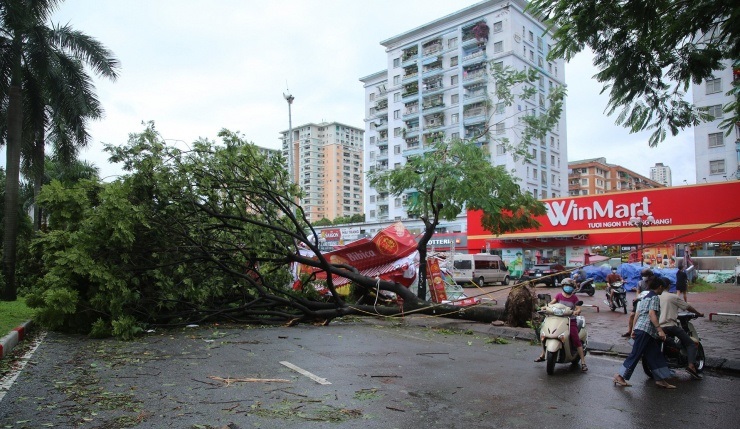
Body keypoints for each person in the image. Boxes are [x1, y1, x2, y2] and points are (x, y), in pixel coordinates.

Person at [613, 276, 675, 388]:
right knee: (635, 354)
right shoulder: (655, 298)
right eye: (663, 288)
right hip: (646, 331)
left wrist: (633, 329)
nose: (663, 290)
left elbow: (637, 314)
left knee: (654, 354)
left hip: (643, 330)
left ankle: (660, 379)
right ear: (660, 287)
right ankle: (620, 376)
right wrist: (660, 330)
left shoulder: (645, 297)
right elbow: (652, 314)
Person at [534, 278, 588, 371]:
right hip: (557, 319)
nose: (568, 288)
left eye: (570, 287)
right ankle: (543, 354)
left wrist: (576, 311)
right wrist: (544, 307)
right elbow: (550, 304)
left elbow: (578, 308)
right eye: (566, 286)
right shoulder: (559, 296)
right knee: (543, 332)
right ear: (563, 287)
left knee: (575, 338)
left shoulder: (574, 298)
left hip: (570, 320)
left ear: (573, 288)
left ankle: (583, 362)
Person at [659, 284, 704, 379]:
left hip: (658, 327)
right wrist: (698, 313)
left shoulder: (655, 297)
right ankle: (691, 366)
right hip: (670, 326)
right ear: (668, 286)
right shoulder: (672, 296)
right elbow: (687, 307)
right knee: (690, 344)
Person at [622, 268, 654, 338]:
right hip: (640, 300)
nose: (644, 277)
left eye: (645, 275)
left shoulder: (653, 283)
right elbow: (638, 292)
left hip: (650, 301)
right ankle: (629, 331)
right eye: (643, 275)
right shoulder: (640, 283)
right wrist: (637, 298)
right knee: (632, 315)